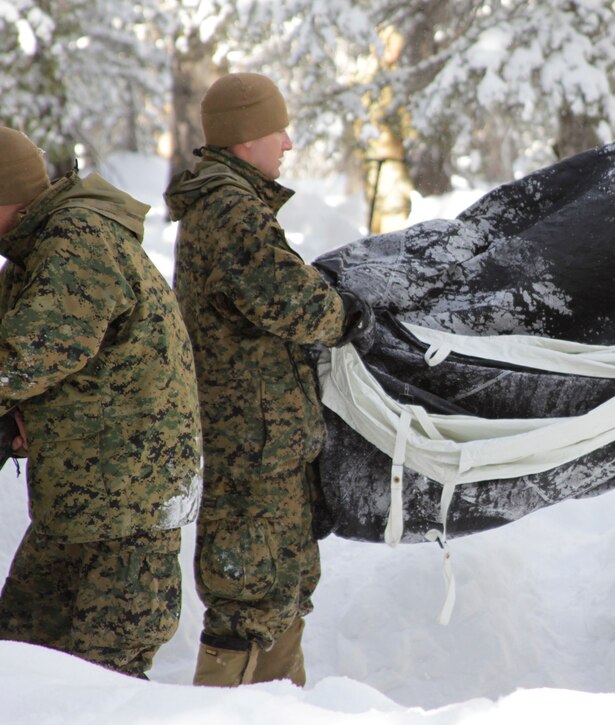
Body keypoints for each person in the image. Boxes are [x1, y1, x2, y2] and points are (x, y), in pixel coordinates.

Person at [165, 72, 372, 687]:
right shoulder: (231, 210)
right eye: (275, 130)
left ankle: (277, 702)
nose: (287, 142)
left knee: (279, 587)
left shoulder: (228, 203)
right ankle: (231, 706)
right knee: (250, 594)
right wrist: (349, 314)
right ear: (244, 138)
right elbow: (290, 301)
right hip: (251, 444)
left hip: (261, 440)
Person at [0, 127, 202, 678]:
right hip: (81, 498)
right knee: (23, 655)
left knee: (105, 679)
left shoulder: (77, 242)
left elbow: (29, 351)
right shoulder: (33, 250)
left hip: (128, 504)